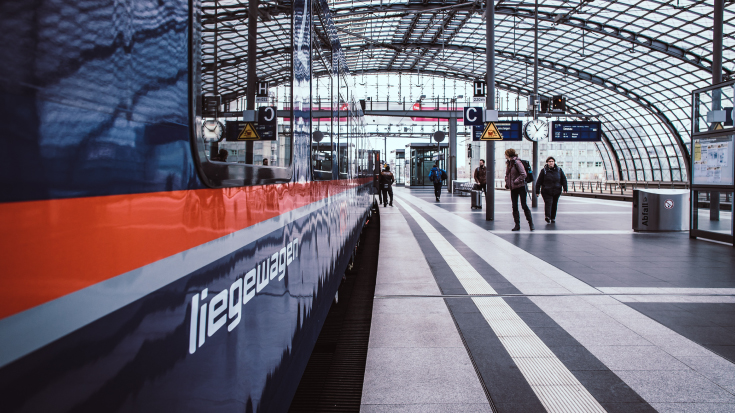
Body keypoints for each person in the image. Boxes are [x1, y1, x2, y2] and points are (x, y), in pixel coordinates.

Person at [504, 148, 534, 231]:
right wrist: (507, 181)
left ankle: (531, 224)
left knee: (524, 205)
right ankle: (517, 225)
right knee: (514, 206)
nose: (505, 155)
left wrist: (515, 181)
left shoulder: (517, 162)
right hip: (513, 188)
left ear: (509, 154)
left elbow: (523, 174)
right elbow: (507, 174)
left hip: (520, 187)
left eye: (505, 154)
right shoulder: (509, 163)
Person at [535, 156, 568, 223]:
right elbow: (539, 181)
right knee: (548, 203)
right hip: (546, 190)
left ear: (554, 162)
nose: (551, 163)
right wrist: (537, 191)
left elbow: (563, 179)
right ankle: (547, 216)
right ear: (547, 162)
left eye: (552, 161)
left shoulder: (559, 170)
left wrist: (565, 188)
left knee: (554, 204)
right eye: (549, 161)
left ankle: (553, 217)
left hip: (557, 190)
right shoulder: (544, 171)